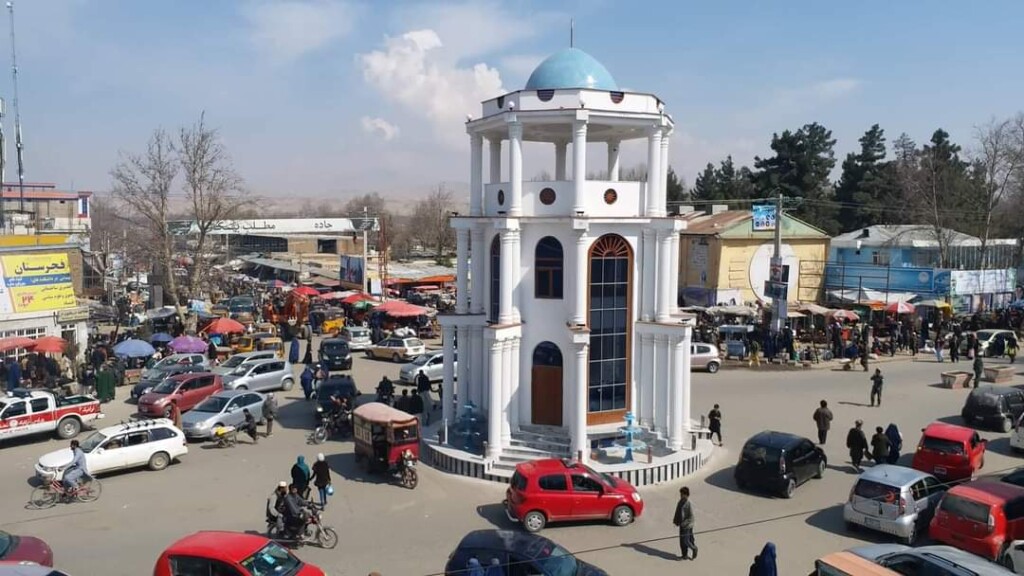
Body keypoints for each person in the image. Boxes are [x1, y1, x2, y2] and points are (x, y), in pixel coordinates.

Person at [672, 486, 697, 561]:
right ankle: (684, 555)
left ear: (686, 495)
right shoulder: (680, 502)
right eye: (681, 494)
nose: (681, 495)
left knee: (686, 540)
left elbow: (691, 517)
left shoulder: (688, 504)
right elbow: (677, 512)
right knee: (682, 541)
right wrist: (676, 521)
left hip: (687, 525)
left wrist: (684, 523)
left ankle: (694, 548)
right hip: (682, 524)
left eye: (682, 494)